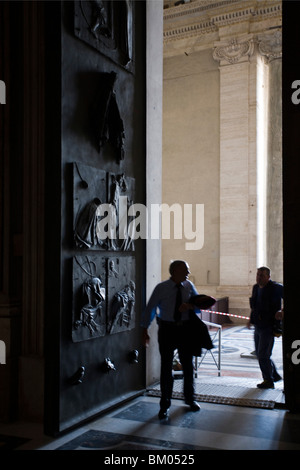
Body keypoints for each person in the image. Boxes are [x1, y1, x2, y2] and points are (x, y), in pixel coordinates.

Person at [141, 260, 201, 420]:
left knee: (188, 366)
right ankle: (164, 404)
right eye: (185, 270)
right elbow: (150, 308)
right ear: (175, 271)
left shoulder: (189, 286)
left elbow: (198, 307)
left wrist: (189, 306)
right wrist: (144, 329)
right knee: (166, 367)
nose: (188, 273)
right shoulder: (161, 288)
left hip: (185, 329)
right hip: (167, 329)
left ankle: (190, 399)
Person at [247, 266, 283, 389]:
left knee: (263, 354)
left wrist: (282, 310)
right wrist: (250, 319)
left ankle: (268, 380)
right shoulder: (256, 288)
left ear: (268, 277)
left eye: (261, 275)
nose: (258, 278)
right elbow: (254, 305)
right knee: (259, 353)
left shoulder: (276, 288)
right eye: (257, 275)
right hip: (258, 325)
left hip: (268, 326)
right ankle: (274, 375)